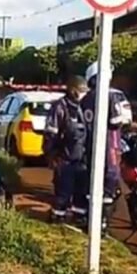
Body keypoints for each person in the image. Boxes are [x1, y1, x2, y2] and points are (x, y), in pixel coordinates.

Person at [78, 62, 126, 228]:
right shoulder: (108, 96)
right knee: (110, 182)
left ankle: (95, 219)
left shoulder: (84, 100)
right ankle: (104, 221)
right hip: (109, 145)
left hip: (90, 147)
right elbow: (116, 122)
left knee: (93, 183)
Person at [43, 75, 89, 222]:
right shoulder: (60, 107)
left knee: (81, 192)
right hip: (64, 158)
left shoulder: (87, 106)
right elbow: (50, 133)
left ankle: (79, 217)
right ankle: (58, 217)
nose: (83, 93)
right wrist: (51, 154)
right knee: (63, 191)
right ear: (72, 90)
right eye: (80, 90)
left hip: (83, 158)